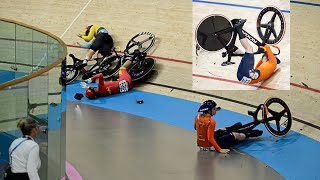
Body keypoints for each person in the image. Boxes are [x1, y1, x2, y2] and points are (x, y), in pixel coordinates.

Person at [194, 100, 263, 154]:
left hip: (201, 144)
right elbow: (210, 139)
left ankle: (234, 127)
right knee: (235, 135)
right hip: (211, 146)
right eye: (214, 109)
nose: (216, 110)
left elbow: (195, 128)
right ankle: (249, 134)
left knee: (221, 130)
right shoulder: (211, 121)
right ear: (209, 111)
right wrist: (220, 150)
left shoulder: (197, 117)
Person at [232, 19, 279, 85]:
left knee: (249, 49)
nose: (263, 58)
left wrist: (265, 47)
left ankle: (238, 29)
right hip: (242, 78)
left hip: (248, 75)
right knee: (245, 55)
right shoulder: (268, 66)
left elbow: (267, 47)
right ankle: (231, 47)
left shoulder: (273, 63)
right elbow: (258, 65)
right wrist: (264, 54)